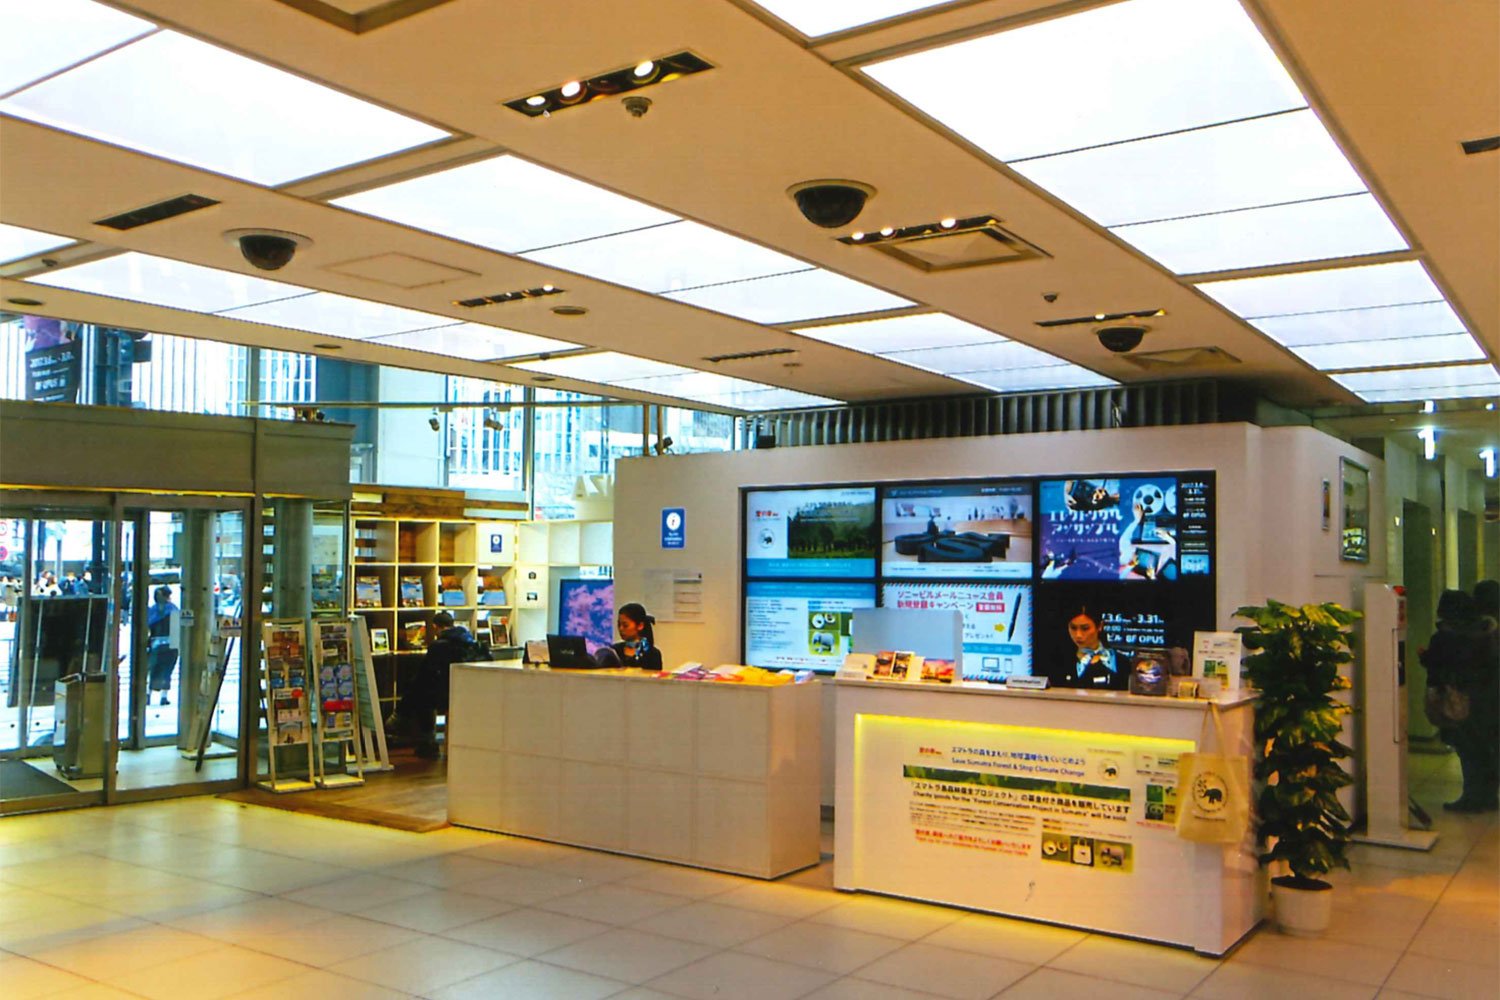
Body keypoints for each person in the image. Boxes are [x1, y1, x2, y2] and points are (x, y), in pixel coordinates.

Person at [1421, 589, 1497, 811]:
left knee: (1467, 751)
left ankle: (1472, 798)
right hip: (1487, 699)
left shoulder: (1444, 638)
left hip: (1459, 700)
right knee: (1485, 750)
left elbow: (1437, 668)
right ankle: (1489, 796)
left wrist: (1424, 657)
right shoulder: (1488, 632)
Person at [390, 610, 481, 758]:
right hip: (467, 690)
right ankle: (400, 720)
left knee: (420, 697)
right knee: (420, 692)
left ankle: (424, 741)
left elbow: (425, 672)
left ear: (435, 627)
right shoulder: (470, 641)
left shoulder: (439, 645)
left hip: (445, 694)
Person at [1050, 608, 1125, 690]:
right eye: (1073, 628)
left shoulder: (1120, 661)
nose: (1078, 635)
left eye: (1085, 628)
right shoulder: (1059, 662)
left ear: (1100, 626)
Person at [594, 603, 663, 671]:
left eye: (625, 625)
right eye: (619, 625)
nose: (621, 629)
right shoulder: (614, 651)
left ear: (640, 626)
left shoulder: (652, 654)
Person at [145, 586, 179, 705]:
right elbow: (176, 629)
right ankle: (164, 697)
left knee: (153, 670)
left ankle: (148, 695)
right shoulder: (173, 609)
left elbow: (147, 628)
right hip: (170, 645)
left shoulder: (151, 611)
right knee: (167, 671)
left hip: (155, 644)